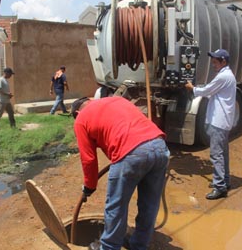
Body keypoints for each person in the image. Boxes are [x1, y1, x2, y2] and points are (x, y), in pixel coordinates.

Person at [71, 96, 170, 250]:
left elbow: (88, 159)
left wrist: (89, 186)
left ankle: (109, 247)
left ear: (77, 112)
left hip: (130, 153)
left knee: (116, 207)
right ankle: (139, 245)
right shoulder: (117, 100)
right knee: (149, 205)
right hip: (160, 146)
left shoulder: (81, 119)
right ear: (91, 99)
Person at [185, 49, 236, 200]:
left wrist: (192, 88)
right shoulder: (225, 75)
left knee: (216, 154)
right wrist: (200, 90)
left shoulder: (224, 76)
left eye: (215, 61)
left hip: (219, 122)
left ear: (223, 62)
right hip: (223, 121)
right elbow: (211, 92)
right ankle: (224, 181)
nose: (213, 64)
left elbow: (207, 90)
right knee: (222, 153)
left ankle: (220, 186)